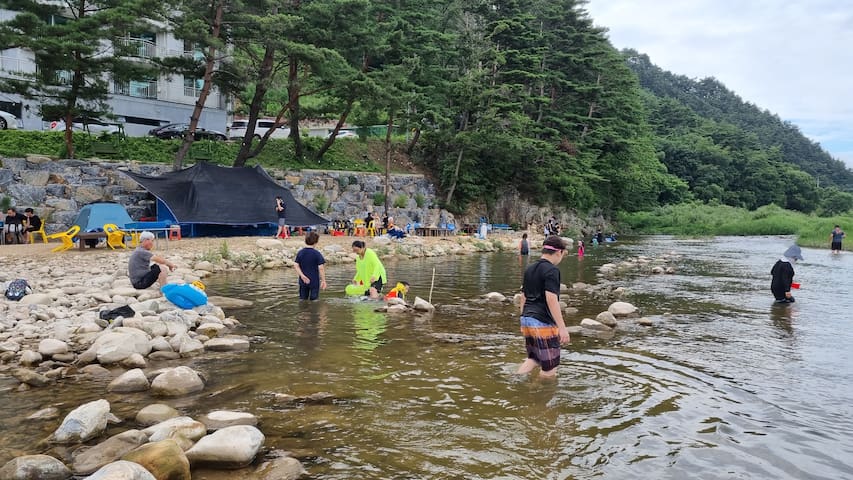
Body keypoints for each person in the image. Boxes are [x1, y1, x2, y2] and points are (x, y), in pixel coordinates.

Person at [517, 235, 571, 378]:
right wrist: (562, 328)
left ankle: (514, 381)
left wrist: (523, 317)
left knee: (534, 358)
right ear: (559, 252)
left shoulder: (530, 268)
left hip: (527, 318)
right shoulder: (552, 270)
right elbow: (551, 299)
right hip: (542, 322)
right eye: (563, 254)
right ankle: (536, 394)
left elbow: (524, 296)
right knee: (550, 367)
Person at [294, 231, 327, 300]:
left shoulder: (301, 252)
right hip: (314, 281)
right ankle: (313, 310)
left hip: (303, 280)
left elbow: (296, 265)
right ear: (316, 242)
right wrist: (323, 281)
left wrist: (302, 276)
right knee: (314, 300)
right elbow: (321, 268)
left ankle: (303, 310)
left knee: (302, 299)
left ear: (305, 240)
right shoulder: (317, 254)